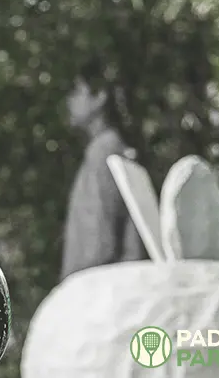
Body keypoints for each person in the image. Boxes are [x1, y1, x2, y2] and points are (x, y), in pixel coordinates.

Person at [60, 57, 146, 281]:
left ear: (99, 98)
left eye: (77, 92)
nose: (70, 101)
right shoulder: (113, 148)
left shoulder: (103, 151)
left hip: (98, 292)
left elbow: (96, 243)